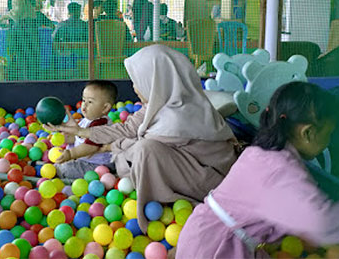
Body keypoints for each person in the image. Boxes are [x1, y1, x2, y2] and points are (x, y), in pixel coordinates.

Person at [44, 45, 238, 231]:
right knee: (133, 150)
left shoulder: (178, 116)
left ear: (157, 81)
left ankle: (163, 198)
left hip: (206, 177)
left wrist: (109, 147)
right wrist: (79, 131)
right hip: (181, 164)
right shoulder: (158, 103)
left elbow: (139, 143)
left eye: (139, 81)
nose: (135, 88)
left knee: (144, 150)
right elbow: (127, 128)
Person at [176, 81, 339, 259]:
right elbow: (321, 223)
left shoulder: (263, 153)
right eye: (328, 134)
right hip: (214, 247)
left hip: (208, 235)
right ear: (308, 133)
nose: (328, 141)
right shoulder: (279, 171)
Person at [53, 80, 118, 179]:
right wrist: (64, 137)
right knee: (61, 162)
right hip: (85, 160)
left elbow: (90, 147)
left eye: (90, 102)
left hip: (97, 165)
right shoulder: (87, 120)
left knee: (64, 169)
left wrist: (71, 154)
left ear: (105, 108)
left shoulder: (100, 124)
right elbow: (79, 138)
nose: (84, 105)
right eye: (83, 100)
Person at [0, 0, 40, 81]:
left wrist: (0, 19)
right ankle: (31, 81)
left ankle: (26, 82)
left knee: (24, 56)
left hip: (23, 27)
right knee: (30, 56)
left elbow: (17, 12)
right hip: (30, 25)